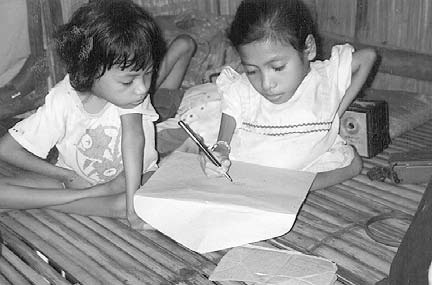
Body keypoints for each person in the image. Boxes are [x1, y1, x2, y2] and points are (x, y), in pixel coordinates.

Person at [0, 0, 196, 229]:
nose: (142, 89)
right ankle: (91, 198)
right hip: (76, 181)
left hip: (133, 181)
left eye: (148, 74)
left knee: (145, 200)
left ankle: (55, 202)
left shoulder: (131, 98)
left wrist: (133, 207)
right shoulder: (63, 100)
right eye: (128, 80)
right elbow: (6, 149)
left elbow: (133, 138)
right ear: (89, 72)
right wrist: (66, 176)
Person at [202, 0, 376, 191]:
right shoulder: (242, 90)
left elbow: (368, 57)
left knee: (352, 163)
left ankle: (292, 187)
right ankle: (285, 186)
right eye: (252, 71)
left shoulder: (325, 78)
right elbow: (225, 131)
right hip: (251, 163)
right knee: (209, 164)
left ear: (308, 48)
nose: (266, 84)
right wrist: (220, 150)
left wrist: (336, 111)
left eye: (278, 68)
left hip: (309, 159)